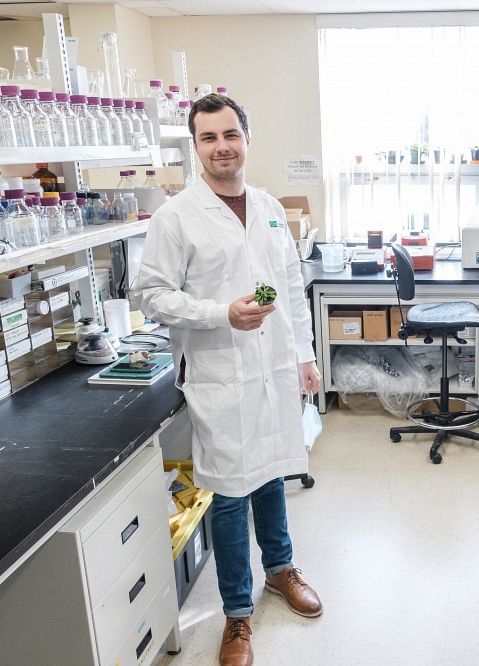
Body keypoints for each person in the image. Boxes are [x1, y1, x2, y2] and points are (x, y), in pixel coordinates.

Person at [134, 93, 322, 666]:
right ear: (195, 146)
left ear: (246, 138)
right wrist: (222, 314)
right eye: (209, 138)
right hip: (219, 372)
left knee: (270, 473)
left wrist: (305, 356)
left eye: (230, 134)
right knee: (232, 492)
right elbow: (151, 296)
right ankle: (237, 613)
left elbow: (290, 289)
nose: (222, 147)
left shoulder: (268, 208)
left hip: (273, 368)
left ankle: (280, 569)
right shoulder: (175, 217)